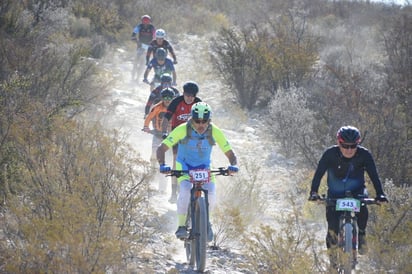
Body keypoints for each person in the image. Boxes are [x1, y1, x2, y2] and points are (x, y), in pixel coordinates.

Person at [156, 102, 239, 241]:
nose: (201, 124)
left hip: (204, 167)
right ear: (191, 119)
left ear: (209, 120)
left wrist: (233, 165)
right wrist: (163, 165)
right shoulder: (183, 129)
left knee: (211, 193)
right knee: (185, 190)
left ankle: (207, 222)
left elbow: (229, 152)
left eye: (204, 121)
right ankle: (182, 226)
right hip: (184, 165)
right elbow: (161, 148)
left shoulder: (214, 131)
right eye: (197, 121)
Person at [309, 126, 388, 261]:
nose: (349, 150)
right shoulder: (329, 154)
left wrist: (380, 194)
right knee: (332, 229)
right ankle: (332, 263)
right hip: (335, 194)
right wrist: (314, 192)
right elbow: (318, 174)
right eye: (345, 145)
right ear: (339, 143)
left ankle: (362, 234)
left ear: (358, 144)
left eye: (353, 146)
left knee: (363, 210)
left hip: (357, 192)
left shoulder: (364, 155)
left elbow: (374, 175)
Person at [161, 81, 202, 203]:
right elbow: (166, 118)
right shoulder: (176, 102)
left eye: (192, 96)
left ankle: (196, 188)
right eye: (187, 95)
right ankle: (174, 193)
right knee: (176, 161)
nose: (189, 98)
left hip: (193, 135)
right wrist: (164, 132)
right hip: (177, 134)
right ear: (183, 93)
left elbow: (205, 120)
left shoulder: (198, 102)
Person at [143, 88, 175, 167]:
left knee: (173, 153)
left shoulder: (176, 108)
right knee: (154, 151)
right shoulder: (156, 107)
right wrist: (146, 126)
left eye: (170, 98)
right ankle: (152, 168)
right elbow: (149, 117)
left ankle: (172, 169)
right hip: (158, 133)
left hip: (171, 134)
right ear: (162, 98)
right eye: (165, 98)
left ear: (173, 98)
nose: (167, 100)